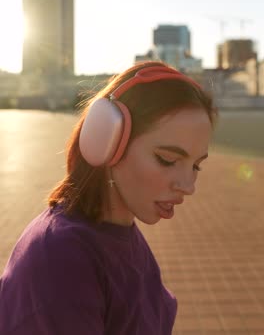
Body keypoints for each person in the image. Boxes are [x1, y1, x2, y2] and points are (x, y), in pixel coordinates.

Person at [0, 61, 217, 334]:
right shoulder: (62, 258)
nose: (188, 186)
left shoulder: (119, 232)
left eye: (196, 165)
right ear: (107, 142)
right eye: (167, 159)